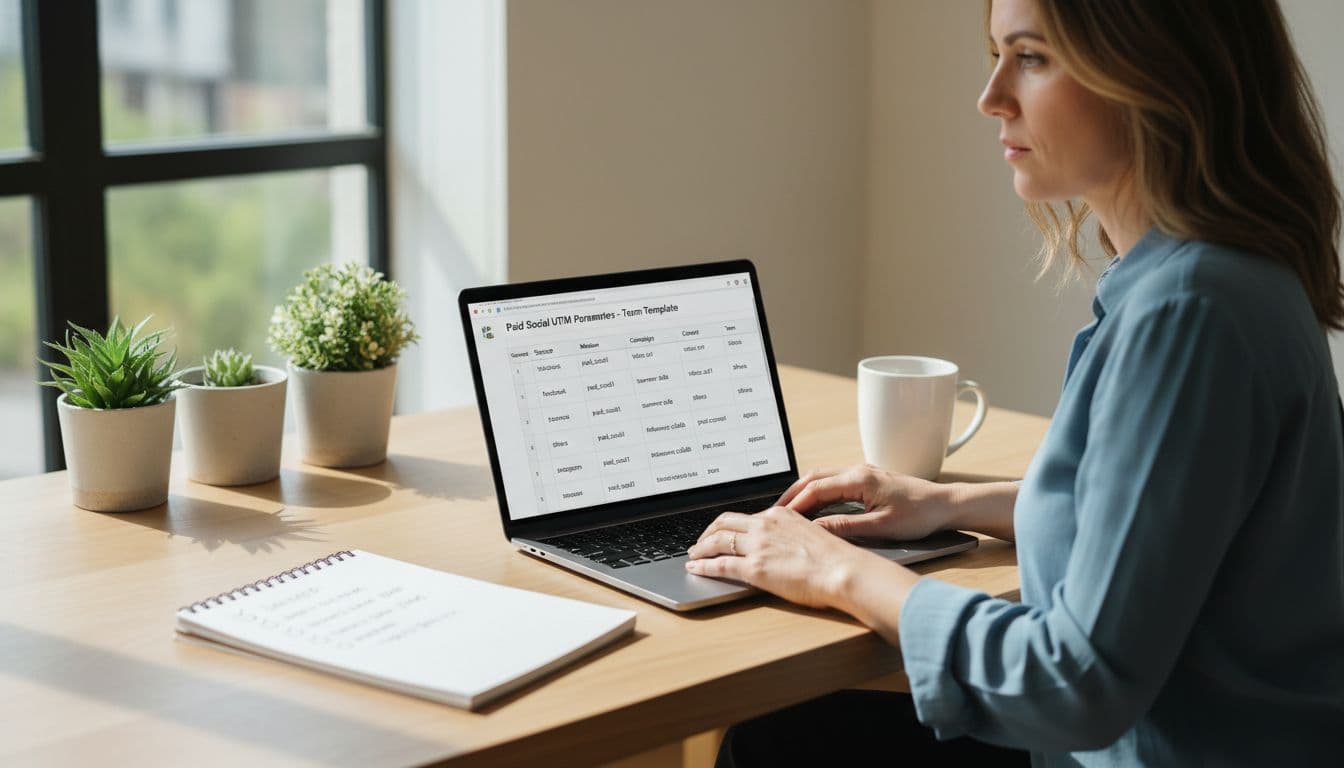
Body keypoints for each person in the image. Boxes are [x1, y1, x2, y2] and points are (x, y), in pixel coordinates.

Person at [688, 0, 1344, 764]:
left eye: (1031, 57)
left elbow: (1076, 680)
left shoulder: (1189, 312)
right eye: (997, 54)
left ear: (1156, 72)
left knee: (775, 747)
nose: (991, 96)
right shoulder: (1227, 274)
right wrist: (948, 504)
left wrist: (834, 569)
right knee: (781, 738)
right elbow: (1168, 520)